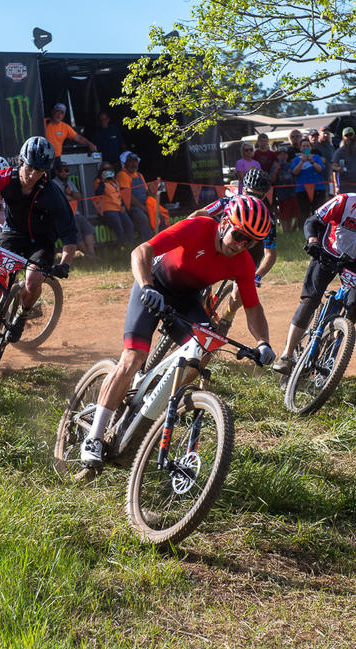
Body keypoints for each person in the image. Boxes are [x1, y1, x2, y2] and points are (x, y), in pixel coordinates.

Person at [78, 195, 276, 466]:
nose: (242, 245)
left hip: (186, 299)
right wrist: (147, 286)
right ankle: (95, 436)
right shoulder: (197, 227)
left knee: (205, 349)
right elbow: (141, 251)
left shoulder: (243, 262)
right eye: (239, 235)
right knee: (133, 359)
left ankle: (154, 401)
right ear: (225, 223)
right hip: (154, 285)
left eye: (250, 241)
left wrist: (263, 342)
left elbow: (253, 306)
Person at [272, 169, 356, 374]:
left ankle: (332, 339)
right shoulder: (344, 202)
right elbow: (313, 221)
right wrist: (313, 241)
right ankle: (287, 354)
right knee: (310, 300)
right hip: (326, 251)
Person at [0, 136, 77, 344]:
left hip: (41, 241)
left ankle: (22, 315)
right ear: (21, 161)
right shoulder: (4, 178)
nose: (32, 175)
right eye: (30, 167)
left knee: (32, 280)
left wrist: (65, 263)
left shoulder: (53, 193)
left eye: (39, 171)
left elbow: (70, 233)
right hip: (12, 234)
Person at [189, 167, 278, 333]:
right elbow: (200, 213)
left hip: (248, 254)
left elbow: (270, 255)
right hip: (222, 245)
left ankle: (227, 318)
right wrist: (186, 227)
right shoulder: (228, 202)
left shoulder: (267, 221)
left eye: (259, 196)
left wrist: (257, 276)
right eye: (251, 194)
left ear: (265, 196)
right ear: (243, 190)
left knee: (239, 293)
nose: (254, 199)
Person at [51, 160, 97, 257]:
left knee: (88, 228)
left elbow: (79, 197)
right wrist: (70, 197)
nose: (64, 173)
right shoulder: (53, 183)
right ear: (56, 172)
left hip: (76, 213)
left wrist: (71, 193)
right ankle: (88, 256)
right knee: (76, 233)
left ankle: (92, 254)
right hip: (65, 215)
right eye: (61, 170)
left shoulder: (69, 182)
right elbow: (59, 199)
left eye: (66, 170)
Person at [115, 152, 155, 242]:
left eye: (135, 162)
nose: (133, 164)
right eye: (131, 162)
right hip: (131, 206)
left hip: (144, 204)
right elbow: (128, 196)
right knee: (142, 217)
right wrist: (143, 208)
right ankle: (147, 243)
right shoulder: (122, 174)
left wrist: (154, 203)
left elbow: (147, 191)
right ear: (125, 163)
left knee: (159, 215)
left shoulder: (140, 175)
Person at [95, 163, 133, 247]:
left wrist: (123, 205)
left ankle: (130, 246)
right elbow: (98, 193)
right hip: (107, 208)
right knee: (119, 227)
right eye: (105, 170)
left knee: (129, 224)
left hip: (119, 207)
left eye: (109, 169)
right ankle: (121, 247)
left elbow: (119, 194)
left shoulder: (115, 181)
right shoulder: (98, 182)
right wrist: (102, 180)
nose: (108, 171)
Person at [291, 137, 326, 224]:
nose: (306, 147)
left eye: (307, 145)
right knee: (304, 211)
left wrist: (312, 162)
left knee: (318, 210)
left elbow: (320, 169)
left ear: (311, 147)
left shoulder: (317, 157)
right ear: (300, 148)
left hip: (318, 188)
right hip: (302, 189)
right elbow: (294, 172)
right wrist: (301, 162)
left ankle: (318, 228)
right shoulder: (296, 159)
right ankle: (303, 229)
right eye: (303, 146)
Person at [331, 127, 356, 194]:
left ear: (354, 135)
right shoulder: (339, 152)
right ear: (343, 137)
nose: (349, 137)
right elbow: (333, 168)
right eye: (346, 136)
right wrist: (336, 186)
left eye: (350, 135)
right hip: (344, 186)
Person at [270, 145, 299, 232]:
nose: (283, 156)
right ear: (277, 156)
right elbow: (272, 179)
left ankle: (289, 231)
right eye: (280, 154)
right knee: (283, 215)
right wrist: (276, 170)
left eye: (284, 154)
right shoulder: (275, 165)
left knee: (290, 214)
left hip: (291, 192)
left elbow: (294, 176)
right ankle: (285, 231)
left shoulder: (290, 165)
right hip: (281, 194)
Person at [313, 127, 337, 194]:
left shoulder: (330, 147)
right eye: (324, 133)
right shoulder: (314, 146)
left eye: (328, 134)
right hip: (316, 180)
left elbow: (333, 162)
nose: (326, 135)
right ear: (319, 134)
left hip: (328, 179)